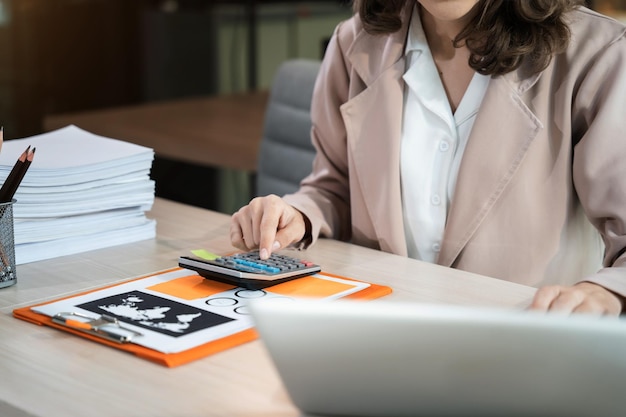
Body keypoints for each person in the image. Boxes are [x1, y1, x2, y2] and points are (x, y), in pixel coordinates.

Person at [231, 0, 626, 315]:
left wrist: (605, 293)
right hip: (384, 333)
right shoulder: (353, 43)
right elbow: (333, 186)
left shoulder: (599, 54)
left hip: (525, 347)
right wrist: (298, 214)